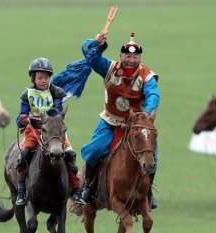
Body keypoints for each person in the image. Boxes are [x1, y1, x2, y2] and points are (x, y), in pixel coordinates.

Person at [79, 32, 160, 208]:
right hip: (110, 121)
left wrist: (146, 113)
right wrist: (96, 43)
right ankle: (88, 187)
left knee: (152, 155)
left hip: (137, 125)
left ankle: (148, 192)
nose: (131, 59)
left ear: (140, 57)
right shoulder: (109, 68)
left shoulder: (147, 76)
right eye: (128, 56)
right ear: (120, 55)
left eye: (135, 56)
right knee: (94, 150)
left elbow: (153, 94)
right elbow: (91, 56)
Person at [14, 57, 83, 206]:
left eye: (46, 77)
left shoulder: (56, 92)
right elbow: (20, 116)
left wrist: (49, 116)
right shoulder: (27, 95)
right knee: (24, 155)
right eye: (40, 78)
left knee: (70, 154)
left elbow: (57, 110)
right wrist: (23, 120)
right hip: (34, 131)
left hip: (55, 132)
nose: (43, 80)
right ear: (33, 78)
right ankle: (21, 190)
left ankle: (76, 190)